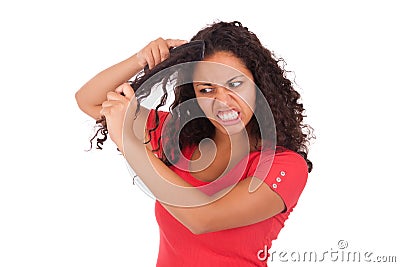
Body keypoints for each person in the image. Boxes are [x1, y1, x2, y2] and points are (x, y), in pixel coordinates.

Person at [75, 20, 314, 266]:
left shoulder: (285, 166)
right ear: (194, 94)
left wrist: (129, 143)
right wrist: (141, 61)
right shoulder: (177, 138)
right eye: (207, 89)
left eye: (235, 83)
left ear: (259, 85)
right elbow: (89, 101)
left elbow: (203, 218)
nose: (222, 101)